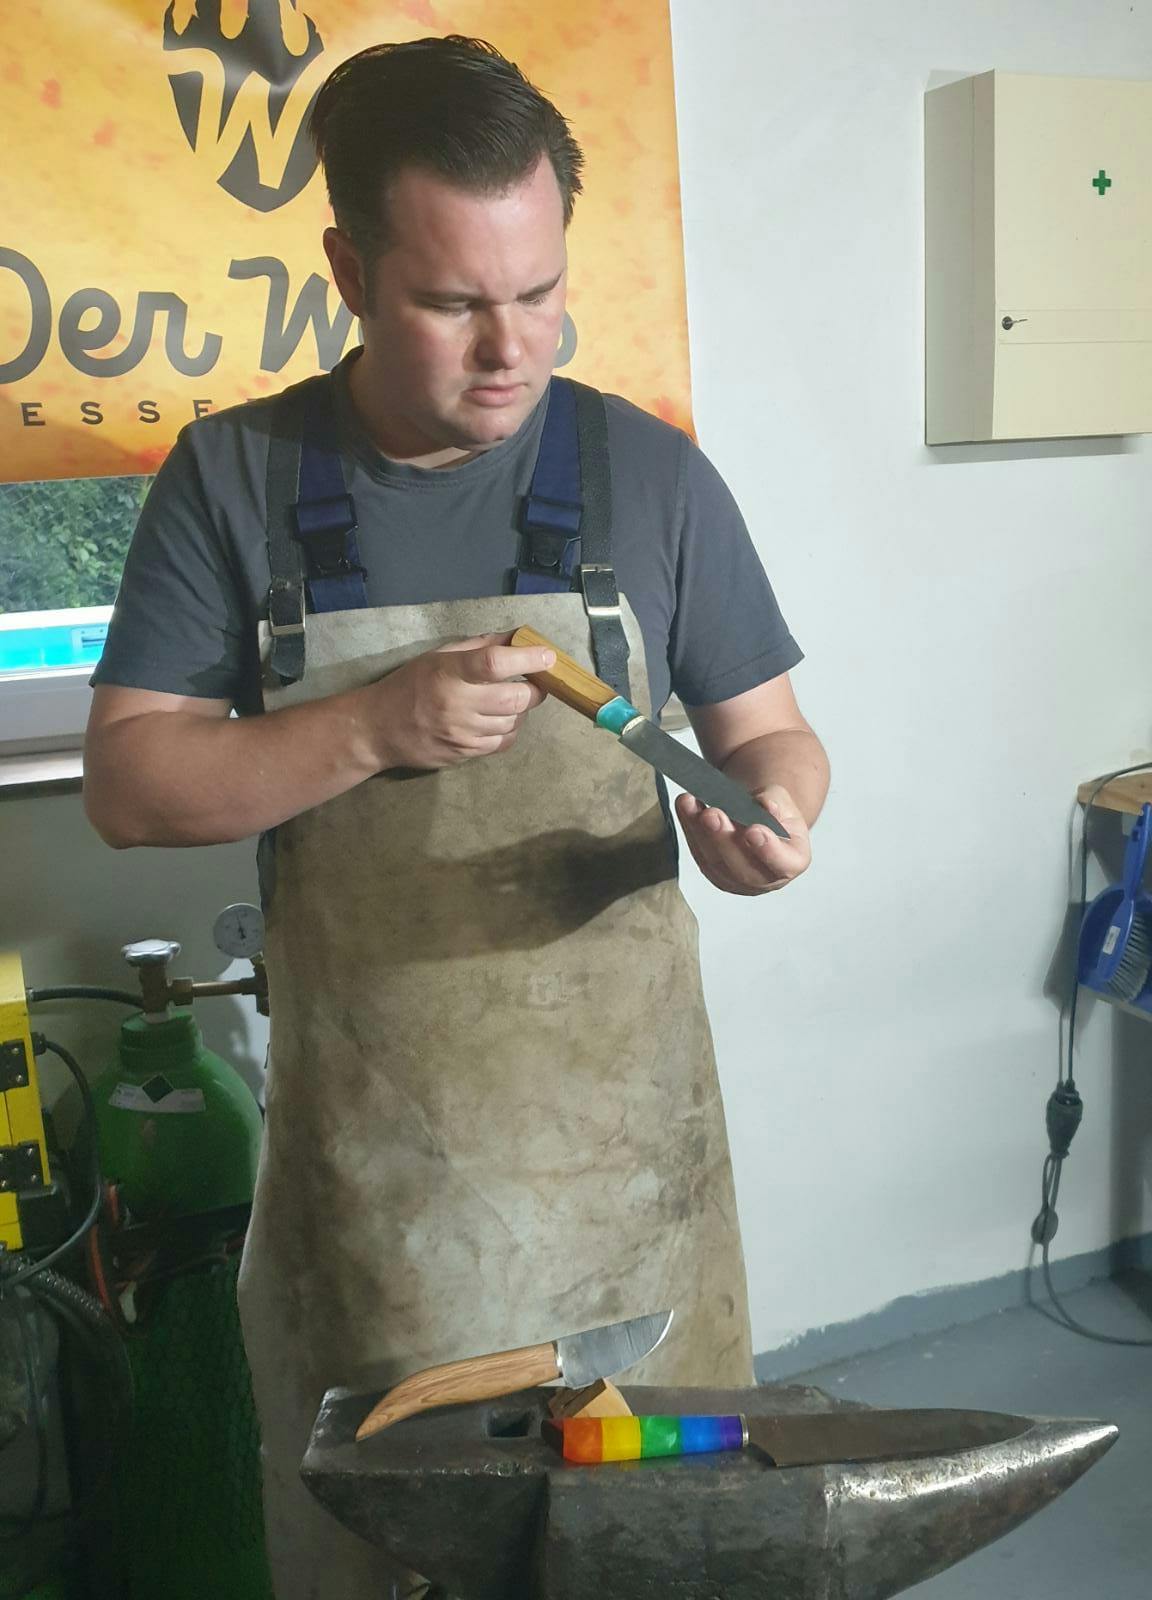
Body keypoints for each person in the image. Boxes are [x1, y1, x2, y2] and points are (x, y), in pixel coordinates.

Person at [83, 34, 829, 1600]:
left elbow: (770, 734)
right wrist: (368, 727)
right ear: (351, 272)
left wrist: (772, 813)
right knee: (405, 1560)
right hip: (385, 1208)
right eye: (452, 304)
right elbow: (132, 786)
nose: (512, 350)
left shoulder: (649, 475)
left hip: (641, 1197)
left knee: (667, 1547)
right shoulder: (235, 480)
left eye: (541, 292)